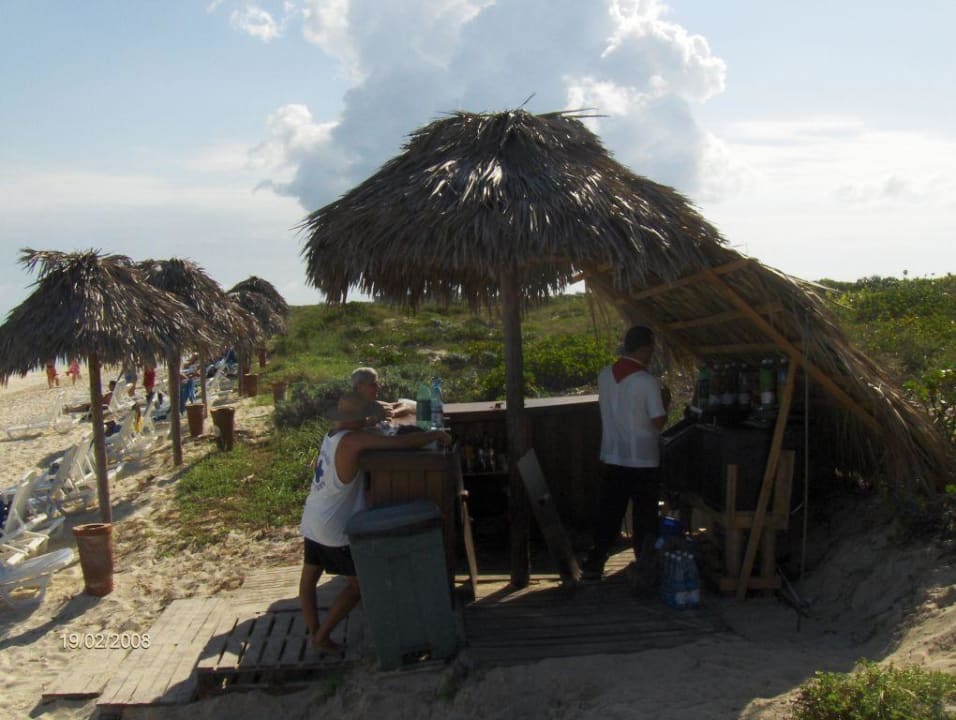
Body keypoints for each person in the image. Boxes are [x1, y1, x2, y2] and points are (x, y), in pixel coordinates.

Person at [299, 391, 452, 654]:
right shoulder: (354, 440)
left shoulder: (332, 436)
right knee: (357, 586)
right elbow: (400, 444)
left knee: (309, 579)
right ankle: (321, 637)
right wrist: (434, 435)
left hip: (313, 517)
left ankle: (314, 630)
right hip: (334, 527)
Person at [582, 325, 670, 582]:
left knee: (609, 512)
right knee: (644, 517)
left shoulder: (604, 376)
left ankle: (595, 563)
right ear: (643, 349)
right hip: (643, 458)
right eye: (650, 350)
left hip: (613, 454)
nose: (651, 354)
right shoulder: (647, 382)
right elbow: (658, 421)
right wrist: (665, 403)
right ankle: (645, 564)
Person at [350, 367, 416, 423]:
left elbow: (404, 406)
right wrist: (369, 420)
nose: (378, 387)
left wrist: (392, 413)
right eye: (373, 385)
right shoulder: (350, 408)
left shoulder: (373, 404)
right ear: (359, 387)